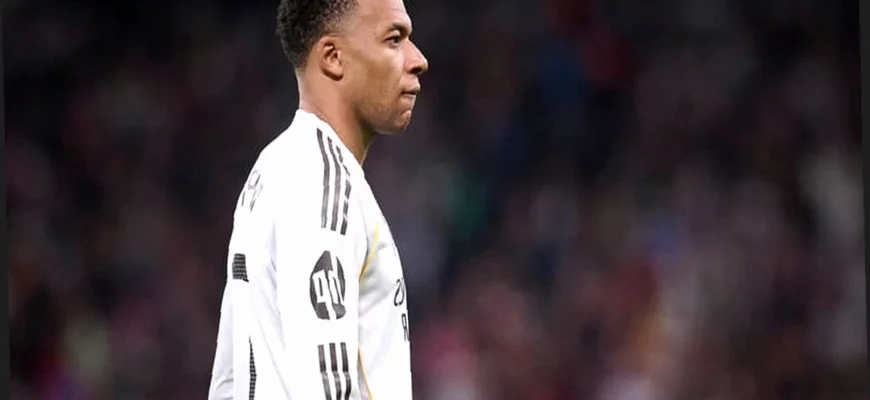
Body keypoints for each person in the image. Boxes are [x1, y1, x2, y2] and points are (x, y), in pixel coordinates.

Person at [206, 0, 428, 398]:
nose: (418, 60)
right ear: (333, 57)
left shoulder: (274, 167)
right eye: (394, 39)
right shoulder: (323, 183)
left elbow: (228, 382)